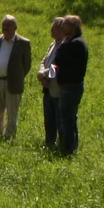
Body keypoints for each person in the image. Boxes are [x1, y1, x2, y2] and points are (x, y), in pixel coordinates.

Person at [0, 15, 33, 140]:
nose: (5, 27)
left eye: (8, 25)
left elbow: (27, 64)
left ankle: (9, 137)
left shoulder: (23, 43)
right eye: (4, 25)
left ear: (15, 27)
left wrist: (17, 77)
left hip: (13, 83)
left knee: (12, 112)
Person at [53, 15, 89, 156]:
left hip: (71, 88)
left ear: (74, 26)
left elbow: (59, 59)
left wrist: (63, 43)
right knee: (70, 119)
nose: (62, 27)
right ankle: (71, 147)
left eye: (66, 24)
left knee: (66, 120)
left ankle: (68, 150)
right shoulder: (76, 43)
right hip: (70, 87)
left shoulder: (75, 44)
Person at [36, 17, 66, 148]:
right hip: (47, 87)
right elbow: (44, 61)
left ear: (61, 29)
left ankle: (61, 145)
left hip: (56, 87)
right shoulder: (52, 44)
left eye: (53, 28)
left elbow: (57, 66)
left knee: (59, 118)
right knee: (48, 118)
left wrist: (44, 75)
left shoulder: (65, 46)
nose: (51, 30)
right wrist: (41, 74)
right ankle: (49, 143)